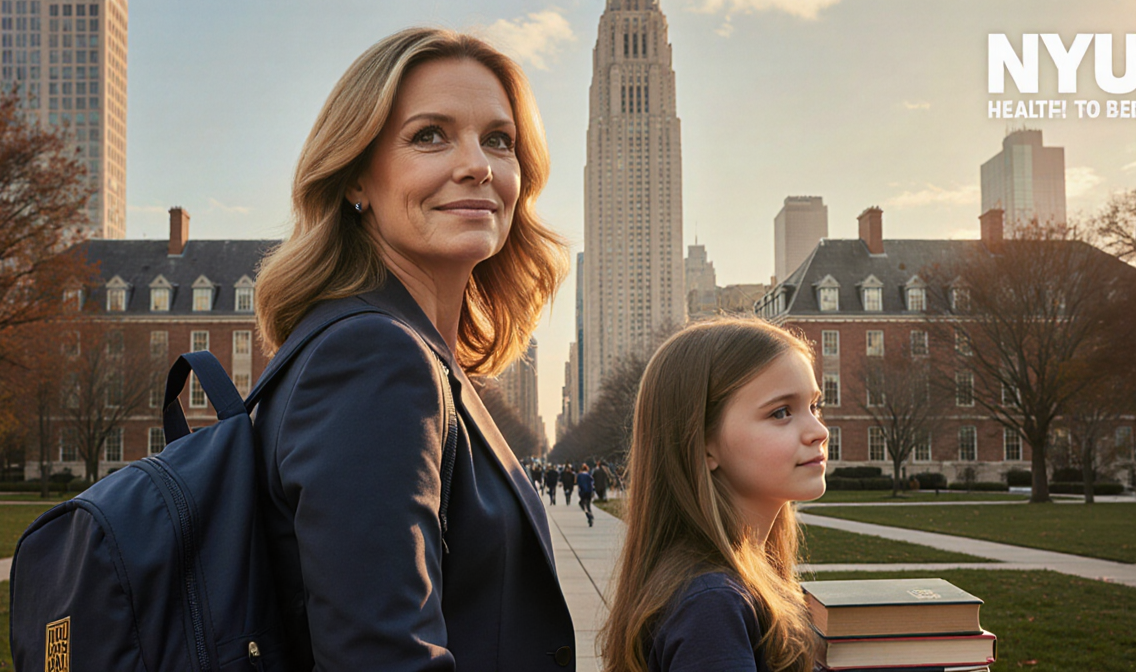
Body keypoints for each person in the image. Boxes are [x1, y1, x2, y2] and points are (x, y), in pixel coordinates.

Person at [252, 28, 577, 669]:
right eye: (430, 135)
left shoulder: (409, 351)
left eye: (498, 140)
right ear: (355, 181)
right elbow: (384, 659)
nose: (477, 164)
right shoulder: (373, 357)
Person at [599, 317, 827, 672]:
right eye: (781, 412)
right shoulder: (712, 605)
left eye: (814, 406)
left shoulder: (731, 587)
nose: (818, 431)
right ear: (703, 446)